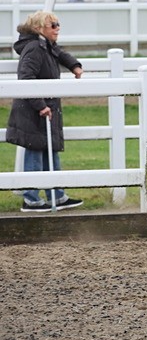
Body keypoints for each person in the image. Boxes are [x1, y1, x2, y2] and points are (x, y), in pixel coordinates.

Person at [6, 11, 84, 212]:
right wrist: (40, 105)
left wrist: (74, 66)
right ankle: (31, 198)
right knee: (34, 151)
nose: (58, 28)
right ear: (39, 29)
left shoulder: (46, 46)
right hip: (34, 111)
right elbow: (26, 78)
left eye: (58, 24)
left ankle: (56, 195)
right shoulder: (34, 48)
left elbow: (61, 54)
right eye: (53, 25)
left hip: (42, 109)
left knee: (50, 151)